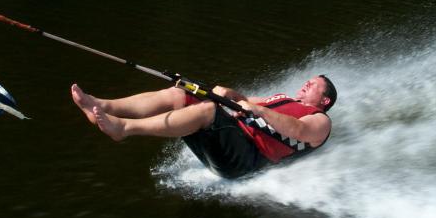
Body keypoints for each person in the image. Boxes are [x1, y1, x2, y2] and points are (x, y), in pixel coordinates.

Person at [71, 75, 337, 179]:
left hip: (244, 160)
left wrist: (257, 109)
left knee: (208, 111)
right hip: (231, 140)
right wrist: (226, 93)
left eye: (313, 85)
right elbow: (245, 102)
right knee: (182, 94)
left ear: (324, 100)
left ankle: (124, 128)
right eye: (308, 80)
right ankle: (104, 106)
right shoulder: (283, 98)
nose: (306, 83)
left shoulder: (320, 120)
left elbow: (298, 131)